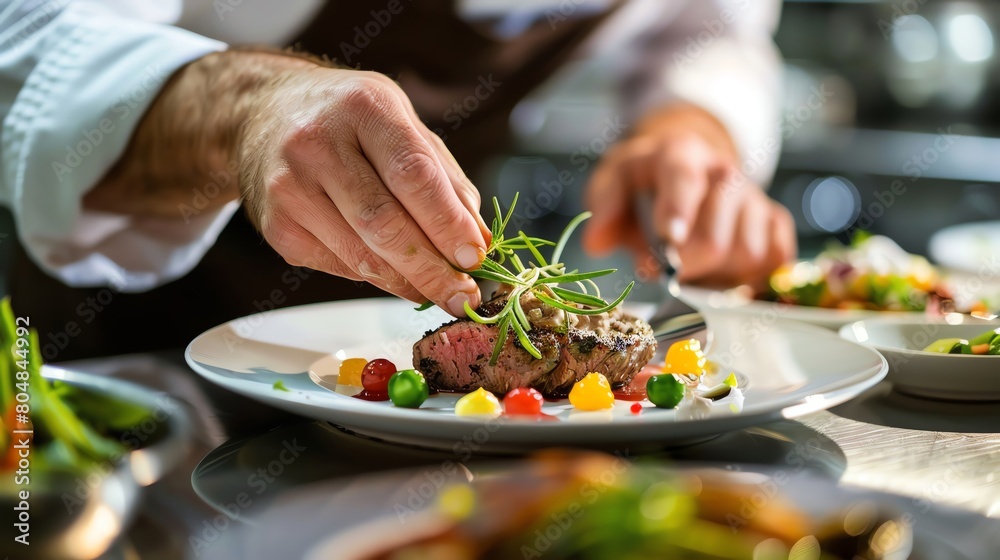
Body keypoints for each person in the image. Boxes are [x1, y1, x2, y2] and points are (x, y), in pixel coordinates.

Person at [0, 0, 794, 360]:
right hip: (110, 342)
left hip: (409, 372)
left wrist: (692, 127)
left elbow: (706, 24)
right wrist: (243, 108)